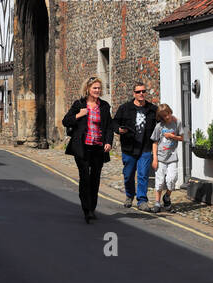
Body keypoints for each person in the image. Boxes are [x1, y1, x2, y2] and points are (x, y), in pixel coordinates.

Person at [62, 76, 113, 222]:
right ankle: (86, 210)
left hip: (98, 147)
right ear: (88, 89)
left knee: (95, 178)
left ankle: (92, 207)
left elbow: (109, 126)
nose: (97, 90)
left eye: (99, 88)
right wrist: (79, 114)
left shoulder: (104, 106)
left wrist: (108, 142)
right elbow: (65, 121)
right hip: (82, 147)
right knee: (84, 177)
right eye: (94, 88)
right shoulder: (79, 104)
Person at [114, 80, 157, 209]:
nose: (141, 94)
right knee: (128, 175)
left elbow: (161, 123)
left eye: (143, 91)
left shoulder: (152, 109)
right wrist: (119, 130)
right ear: (134, 93)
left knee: (143, 174)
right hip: (129, 148)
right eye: (138, 92)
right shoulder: (125, 108)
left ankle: (142, 200)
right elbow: (114, 123)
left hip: (145, 147)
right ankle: (129, 195)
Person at [149, 104, 184, 212]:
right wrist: (155, 158)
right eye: (164, 116)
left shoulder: (177, 123)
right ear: (161, 117)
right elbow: (154, 142)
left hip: (172, 156)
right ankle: (157, 203)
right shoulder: (159, 126)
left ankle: (167, 196)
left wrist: (173, 137)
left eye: (168, 114)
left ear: (170, 112)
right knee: (159, 182)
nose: (167, 117)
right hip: (160, 158)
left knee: (172, 179)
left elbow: (182, 138)